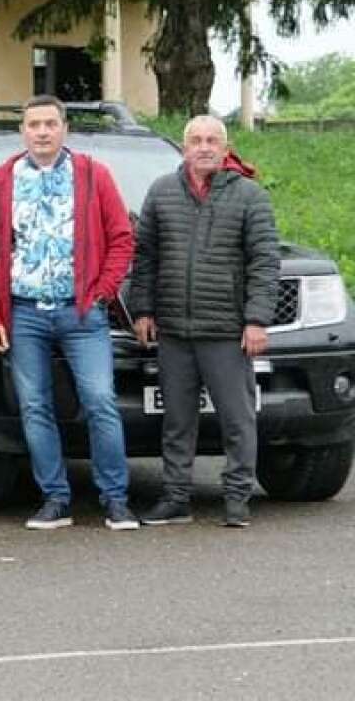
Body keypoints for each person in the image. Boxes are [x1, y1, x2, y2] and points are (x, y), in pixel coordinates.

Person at [0, 95, 139, 530]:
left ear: (65, 128)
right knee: (34, 406)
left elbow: (122, 238)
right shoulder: (0, 182)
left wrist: (102, 291)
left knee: (100, 401)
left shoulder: (93, 175)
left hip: (81, 314)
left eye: (50, 123)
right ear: (22, 131)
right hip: (24, 314)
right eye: (34, 125)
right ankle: (55, 498)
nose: (42, 132)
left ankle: (115, 499)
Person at [129, 115, 279, 528]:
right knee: (177, 423)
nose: (204, 147)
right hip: (174, 332)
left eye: (213, 140)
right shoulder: (161, 192)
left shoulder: (250, 195)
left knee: (237, 420)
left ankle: (237, 498)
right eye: (196, 140)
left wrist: (257, 319)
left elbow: (265, 262)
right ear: (184, 147)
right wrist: (142, 309)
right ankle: (176, 498)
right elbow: (145, 257)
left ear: (225, 149)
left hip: (226, 332)